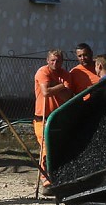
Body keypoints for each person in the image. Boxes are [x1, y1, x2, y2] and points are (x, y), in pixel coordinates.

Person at [33, 49, 76, 178]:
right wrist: (61, 86)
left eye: (58, 61)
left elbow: (67, 96)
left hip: (58, 116)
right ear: (47, 60)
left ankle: (56, 175)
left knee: (57, 147)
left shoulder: (66, 74)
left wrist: (54, 85)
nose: (55, 63)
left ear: (62, 61)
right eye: (52, 60)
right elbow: (46, 92)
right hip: (42, 117)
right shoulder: (43, 72)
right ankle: (45, 177)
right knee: (46, 147)